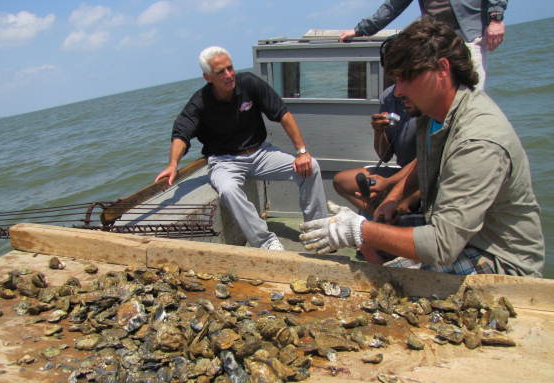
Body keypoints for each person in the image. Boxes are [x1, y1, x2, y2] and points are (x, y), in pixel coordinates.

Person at [300, 18, 545, 277]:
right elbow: (423, 163)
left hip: (500, 258)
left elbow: (442, 246)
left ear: (442, 68)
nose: (398, 91)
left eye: (407, 78)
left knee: (392, 281)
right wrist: (393, 200)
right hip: (459, 234)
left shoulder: (478, 142)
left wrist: (357, 229)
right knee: (374, 253)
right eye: (396, 79)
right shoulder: (432, 115)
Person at [154, 46, 328, 251]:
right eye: (221, 72)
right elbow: (181, 134)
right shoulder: (199, 103)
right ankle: (265, 241)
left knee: (311, 167)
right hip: (224, 161)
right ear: (208, 77)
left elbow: (282, 114)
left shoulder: (249, 83)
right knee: (228, 190)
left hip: (261, 153)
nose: (229, 75)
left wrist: (301, 152)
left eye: (230, 68)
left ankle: (318, 231)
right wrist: (173, 164)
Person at [339, 0, 508, 90]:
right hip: (436, 41)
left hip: (470, 36)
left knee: (472, 94)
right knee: (437, 100)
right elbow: (392, 7)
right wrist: (360, 30)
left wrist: (496, 18)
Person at [332, 84, 420, 215]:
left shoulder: (430, 107)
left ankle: (388, 217)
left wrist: (389, 183)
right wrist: (379, 131)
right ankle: (380, 216)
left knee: (402, 205)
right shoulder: (388, 96)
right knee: (341, 181)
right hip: (403, 171)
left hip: (423, 178)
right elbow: (385, 157)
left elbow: (424, 161)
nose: (399, 93)